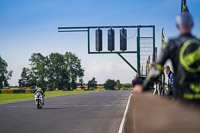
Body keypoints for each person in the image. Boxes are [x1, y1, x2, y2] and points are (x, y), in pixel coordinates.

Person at [133, 10, 200, 102]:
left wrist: (144, 87)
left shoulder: (171, 43)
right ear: (192, 24)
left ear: (177, 25)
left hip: (181, 97)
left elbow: (156, 70)